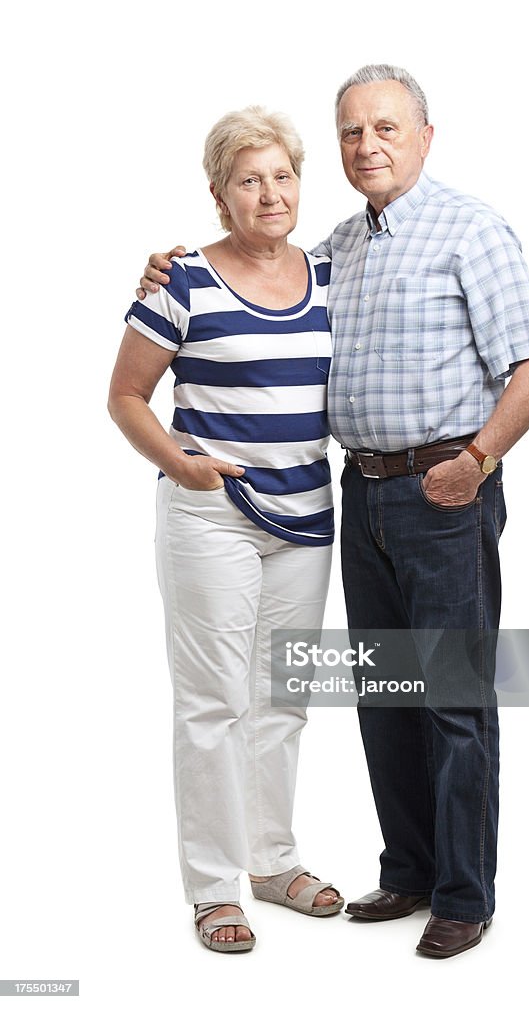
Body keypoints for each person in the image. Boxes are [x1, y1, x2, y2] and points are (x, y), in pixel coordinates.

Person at [138, 64, 529, 959]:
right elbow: (230, 301)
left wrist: (476, 461)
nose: (366, 145)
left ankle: (461, 893)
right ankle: (406, 870)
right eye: (350, 132)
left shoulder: (469, 229)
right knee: (383, 694)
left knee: (448, 698)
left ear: (423, 137)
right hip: (356, 495)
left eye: (386, 128)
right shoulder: (338, 248)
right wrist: (167, 268)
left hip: (443, 492)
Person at [109, 106, 344, 954]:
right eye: (249, 179)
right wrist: (182, 465)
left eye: (281, 175)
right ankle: (212, 889)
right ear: (220, 195)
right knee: (214, 703)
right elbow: (127, 397)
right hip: (212, 517)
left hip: (308, 516)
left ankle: (272, 863)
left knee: (284, 701)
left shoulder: (328, 276)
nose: (269, 193)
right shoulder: (180, 283)